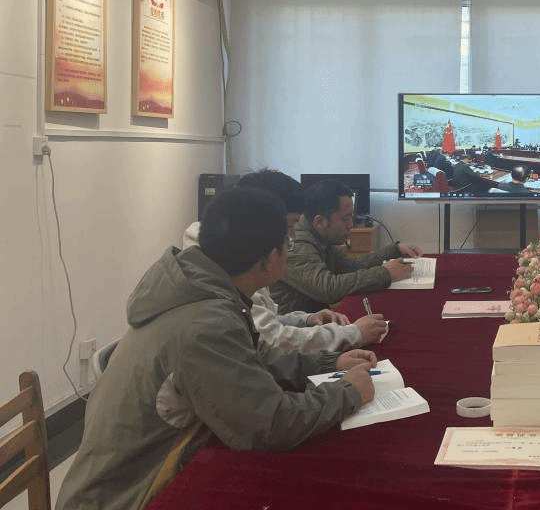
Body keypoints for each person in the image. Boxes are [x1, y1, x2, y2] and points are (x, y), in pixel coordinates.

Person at [56, 187, 378, 510]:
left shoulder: (202, 287)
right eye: (288, 243)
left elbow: (253, 356)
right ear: (268, 260)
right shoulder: (206, 322)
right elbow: (269, 423)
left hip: (137, 474)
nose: (290, 251)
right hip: (125, 497)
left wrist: (329, 362)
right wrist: (347, 392)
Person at [183, 170, 388, 352]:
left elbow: (262, 322)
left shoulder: (240, 252)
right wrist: (353, 334)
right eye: (289, 226)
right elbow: (271, 340)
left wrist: (306, 319)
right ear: (261, 221)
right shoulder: (229, 262)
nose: (292, 237)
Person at [270, 179, 424, 314]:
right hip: (298, 330)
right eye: (346, 219)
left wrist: (395, 250)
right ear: (320, 222)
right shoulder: (296, 244)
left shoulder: (319, 235)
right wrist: (386, 274)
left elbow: (350, 267)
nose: (351, 225)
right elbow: (328, 289)